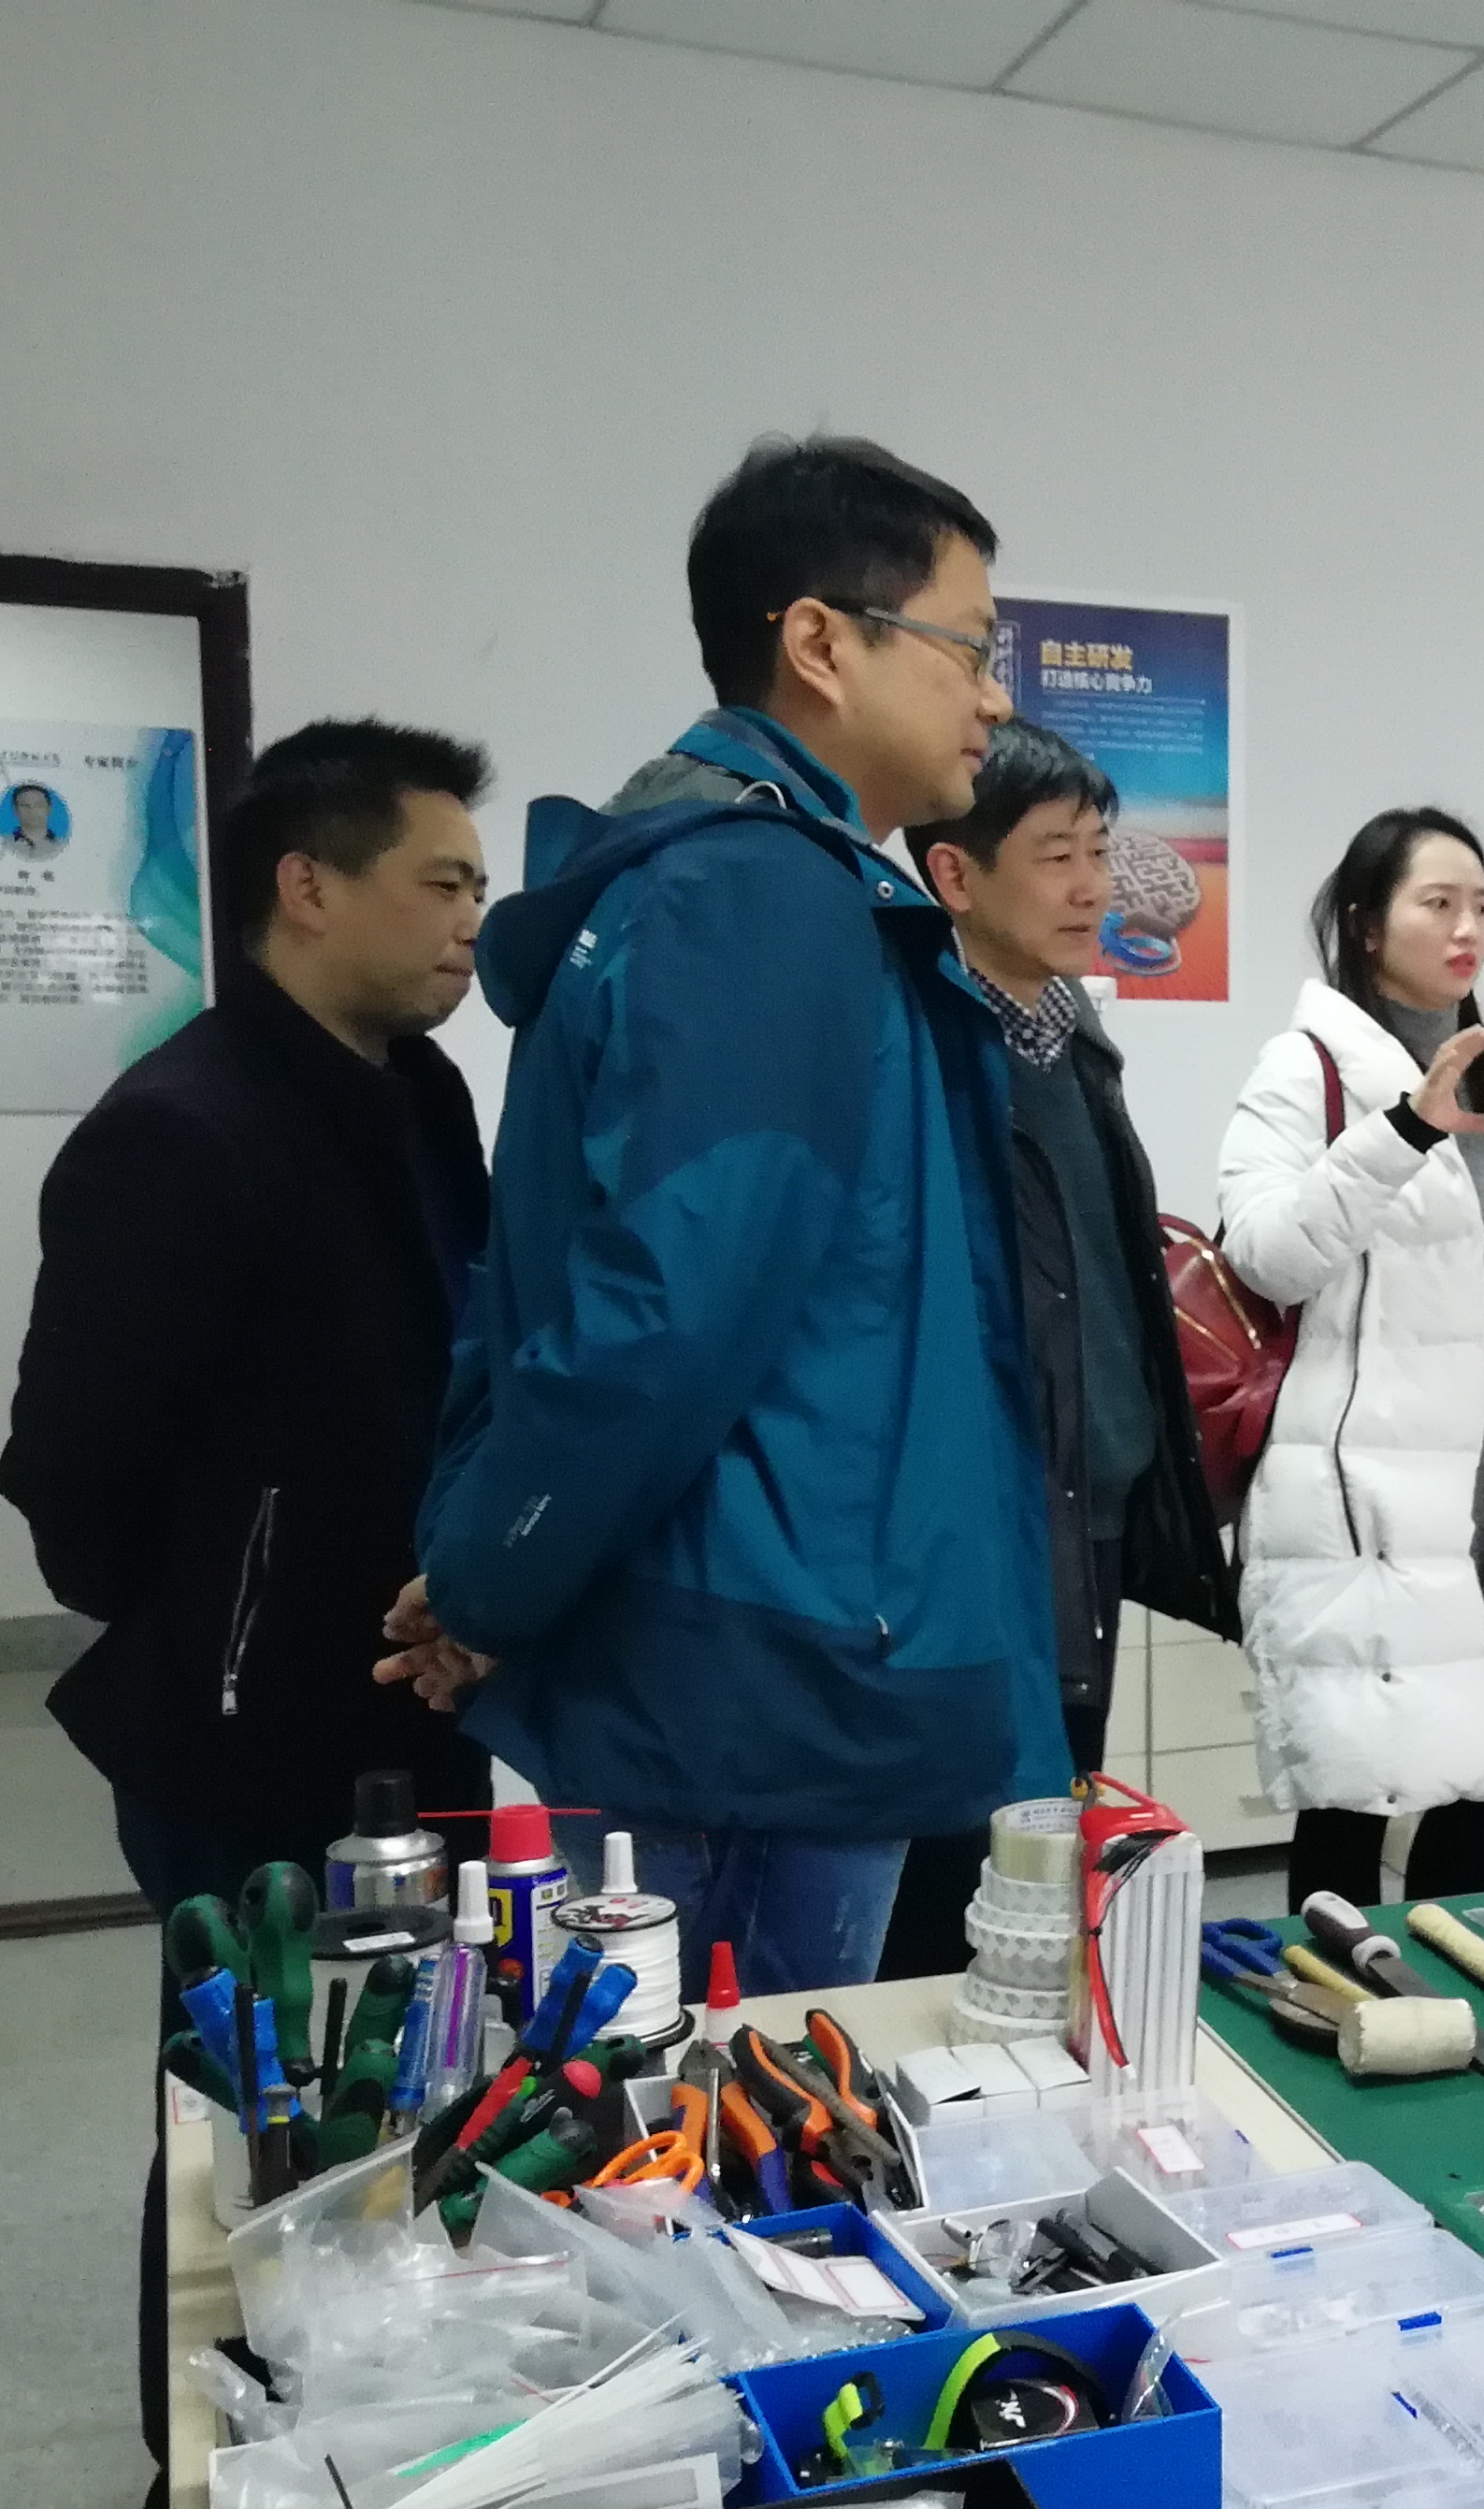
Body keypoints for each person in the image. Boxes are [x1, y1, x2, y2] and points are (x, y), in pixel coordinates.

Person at [391, 435, 1066, 1993]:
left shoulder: (752, 883)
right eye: (971, 649)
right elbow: (661, 1311)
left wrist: (492, 1569)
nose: (994, 699)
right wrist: (490, 1578)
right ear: (821, 641)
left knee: (682, 2105)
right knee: (735, 2122)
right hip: (760, 1673)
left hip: (737, 1639)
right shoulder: (760, 898)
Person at [0, 714, 495, 2509]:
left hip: (419, 1708)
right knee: (242, 2111)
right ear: (307, 885)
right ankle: (194, 2503)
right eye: (438, 882)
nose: (469, 920)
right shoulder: (178, 1131)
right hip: (241, 1733)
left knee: (411, 2094)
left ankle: (375, 2456)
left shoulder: (421, 1098)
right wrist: (238, 1605)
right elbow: (75, 1479)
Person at [1216, 808, 1484, 1910]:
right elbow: (1266, 1255)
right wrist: (1406, 1128)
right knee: (1354, 1791)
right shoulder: (1306, 1068)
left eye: (1482, 906)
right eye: (1438, 903)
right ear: (1368, 924)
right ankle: (1336, 1987)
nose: (1467, 929)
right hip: (1372, 1499)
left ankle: (1445, 1979)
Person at [876, 723, 1237, 1976]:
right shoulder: (927, 1049)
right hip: (983, 1516)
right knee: (965, 1851)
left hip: (1092, 1501)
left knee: (1053, 1829)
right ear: (955, 875)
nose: (1092, 886)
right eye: (1055, 856)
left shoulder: (1071, 1032)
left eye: (1098, 851)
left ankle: (1037, 2050)